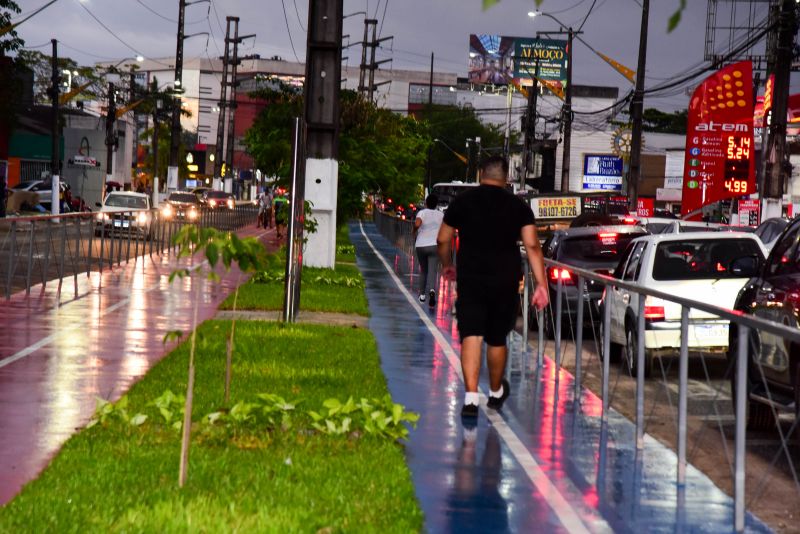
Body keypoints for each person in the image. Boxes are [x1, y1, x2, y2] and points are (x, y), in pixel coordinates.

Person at [437, 156, 549, 419]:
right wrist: (541, 284)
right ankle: (496, 391)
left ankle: (471, 398)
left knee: (471, 335)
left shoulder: (462, 202)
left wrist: (447, 264)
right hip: (505, 280)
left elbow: (443, 239)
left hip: (470, 278)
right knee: (497, 338)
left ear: (480, 174)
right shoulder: (518, 206)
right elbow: (532, 246)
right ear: (506, 177)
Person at [413, 194, 444, 307]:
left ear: (426, 203)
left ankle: (422, 296)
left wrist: (414, 230)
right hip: (435, 245)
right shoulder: (441, 215)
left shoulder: (422, 213)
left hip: (421, 245)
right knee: (432, 270)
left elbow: (417, 223)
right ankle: (432, 290)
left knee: (423, 271)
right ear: (436, 204)